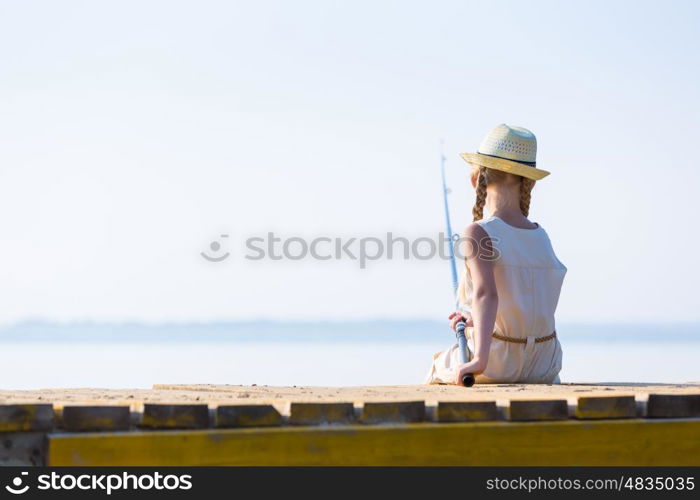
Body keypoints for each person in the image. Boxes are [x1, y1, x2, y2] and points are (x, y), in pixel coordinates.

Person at [425, 124, 566, 385]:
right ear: (530, 184)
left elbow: (485, 294)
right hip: (546, 363)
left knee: (437, 366)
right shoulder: (541, 236)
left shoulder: (478, 232)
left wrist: (479, 359)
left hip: (497, 362)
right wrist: (473, 322)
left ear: (475, 179)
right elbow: (522, 305)